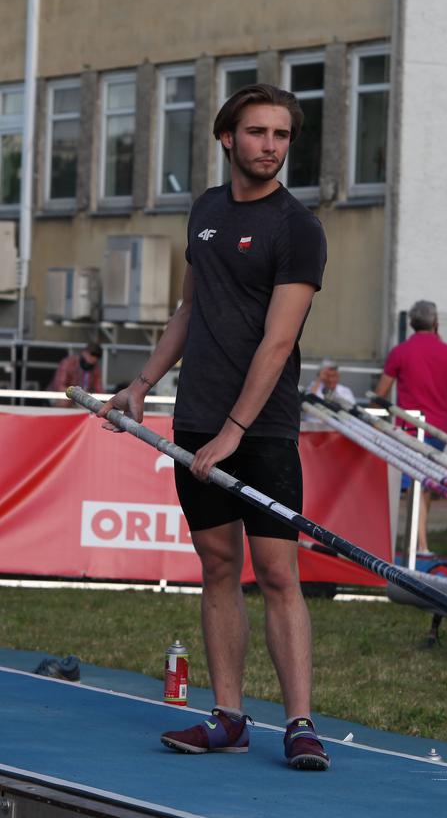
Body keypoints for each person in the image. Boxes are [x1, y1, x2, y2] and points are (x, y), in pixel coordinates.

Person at [98, 84, 329, 770]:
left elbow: (278, 342)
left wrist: (234, 430)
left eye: (282, 136)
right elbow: (188, 311)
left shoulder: (298, 228)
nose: (271, 147)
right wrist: (140, 386)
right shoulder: (204, 210)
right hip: (195, 420)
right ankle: (228, 715)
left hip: (262, 430)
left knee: (279, 574)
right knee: (219, 566)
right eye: (258, 133)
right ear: (229, 138)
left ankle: (300, 724)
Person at [374, 300, 447, 556]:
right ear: (436, 323)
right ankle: (419, 541)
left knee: (414, 484)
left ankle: (418, 543)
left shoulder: (401, 352)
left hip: (409, 425)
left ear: (411, 324)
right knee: (423, 486)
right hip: (438, 427)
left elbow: (382, 391)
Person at [49, 342, 104, 406]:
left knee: (97, 405)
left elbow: (99, 390)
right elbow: (59, 386)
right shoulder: (68, 363)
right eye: (92, 354)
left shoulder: (96, 369)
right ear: (84, 352)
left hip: (83, 400)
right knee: (64, 401)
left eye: (97, 356)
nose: (93, 358)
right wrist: (76, 395)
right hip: (63, 396)